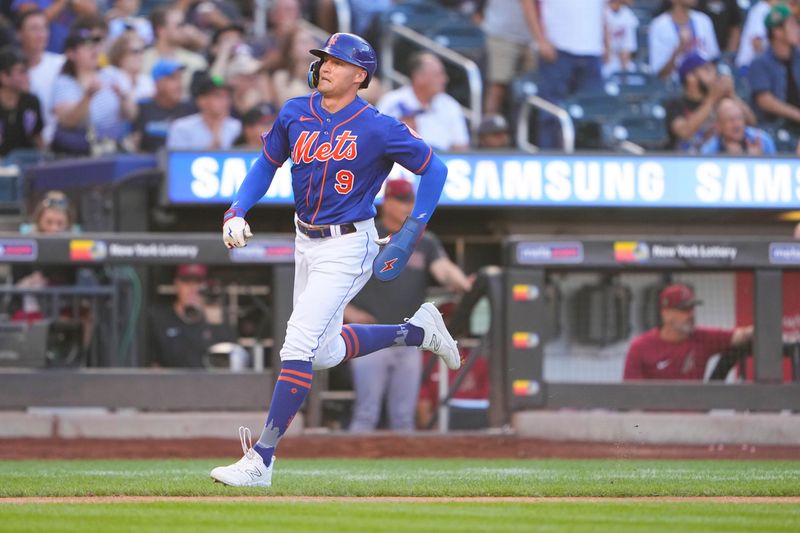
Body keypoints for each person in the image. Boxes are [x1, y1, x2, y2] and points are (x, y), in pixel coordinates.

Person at [212, 32, 461, 487]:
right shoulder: (294, 111)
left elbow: (435, 168)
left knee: (297, 344)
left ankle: (261, 460)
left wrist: (410, 232)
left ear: (359, 75)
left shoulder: (378, 125)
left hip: (349, 243)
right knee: (322, 353)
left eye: (337, 62)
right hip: (304, 239)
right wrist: (237, 209)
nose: (326, 66)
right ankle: (418, 332)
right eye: (324, 59)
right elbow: (266, 164)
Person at [346, 179, 472, 432]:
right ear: (387, 202)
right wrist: (349, 313)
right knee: (366, 413)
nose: (408, 207)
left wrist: (464, 283)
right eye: (402, 201)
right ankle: (348, 467)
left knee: (404, 416)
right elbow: (340, 282)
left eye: (410, 202)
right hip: (369, 338)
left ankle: (399, 471)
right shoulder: (367, 235)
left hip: (409, 337)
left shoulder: (422, 240)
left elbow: (443, 270)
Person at [623, 283, 753, 380]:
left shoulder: (702, 338)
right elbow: (629, 396)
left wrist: (769, 326)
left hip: (694, 416)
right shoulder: (640, 346)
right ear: (666, 314)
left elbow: (742, 335)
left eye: (692, 309)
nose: (691, 315)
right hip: (656, 416)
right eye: (684, 309)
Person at [522, 0, 605, 149]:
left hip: (592, 51)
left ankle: (589, 161)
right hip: (558, 49)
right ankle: (548, 160)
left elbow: (601, 9)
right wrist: (540, 40)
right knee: (551, 114)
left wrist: (606, 41)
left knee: (593, 116)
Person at [148, 263, 242, 368]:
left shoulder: (217, 320)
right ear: (177, 283)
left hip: (210, 382)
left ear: (206, 285)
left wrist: (215, 325)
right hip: (173, 383)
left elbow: (234, 362)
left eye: (198, 282)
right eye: (186, 281)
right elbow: (152, 366)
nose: (192, 288)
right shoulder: (160, 319)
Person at [377, 52, 470, 151]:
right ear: (419, 77)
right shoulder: (391, 102)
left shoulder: (450, 105)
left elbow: (462, 147)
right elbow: (375, 140)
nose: (445, 79)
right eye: (438, 75)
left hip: (442, 161)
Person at [664, 51, 755, 152]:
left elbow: (751, 122)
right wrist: (711, 99)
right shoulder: (675, 104)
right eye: (707, 70)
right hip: (684, 162)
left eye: (713, 69)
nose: (714, 74)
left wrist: (731, 94)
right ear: (691, 77)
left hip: (717, 160)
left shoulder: (721, 102)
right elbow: (684, 131)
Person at [16, 9, 65, 147]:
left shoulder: (62, 64)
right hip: (20, 145)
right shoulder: (8, 70)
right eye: (34, 29)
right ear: (19, 34)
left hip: (58, 143)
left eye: (44, 28)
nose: (41, 34)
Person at [748, 3, 800, 128]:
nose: (797, 29)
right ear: (777, 32)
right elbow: (765, 101)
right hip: (775, 128)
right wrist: (797, 115)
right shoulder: (760, 63)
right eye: (792, 25)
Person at [480, 0, 535, 115]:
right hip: (502, 35)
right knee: (498, 87)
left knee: (528, 91)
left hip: (530, 40)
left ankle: (519, 130)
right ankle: (488, 129)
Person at [130, 59, 195, 152]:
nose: (179, 84)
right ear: (158, 83)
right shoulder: (142, 108)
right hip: (151, 164)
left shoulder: (190, 109)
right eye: (172, 78)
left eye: (180, 78)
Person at [165, 71, 241, 150]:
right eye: (218, 96)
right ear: (202, 101)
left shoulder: (237, 127)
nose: (225, 102)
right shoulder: (181, 128)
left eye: (227, 97)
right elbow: (176, 160)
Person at [648, 0, 720, 81]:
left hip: (703, 84)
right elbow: (660, 74)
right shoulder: (659, 25)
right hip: (672, 87)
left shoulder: (704, 20)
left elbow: (713, 59)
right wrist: (679, 48)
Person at [0, 45, 44, 156]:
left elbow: (37, 137)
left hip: (25, 163)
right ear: (4, 77)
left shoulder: (31, 102)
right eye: (21, 72)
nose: (27, 77)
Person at [701, 96, 777, 154]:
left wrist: (757, 161)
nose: (736, 125)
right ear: (718, 126)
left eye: (739, 118)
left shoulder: (763, 140)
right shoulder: (709, 150)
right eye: (731, 120)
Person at [603, 0, 640, 78]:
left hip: (619, 61)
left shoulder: (628, 15)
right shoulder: (601, 11)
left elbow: (626, 52)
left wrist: (624, 75)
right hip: (602, 62)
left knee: (635, 77)